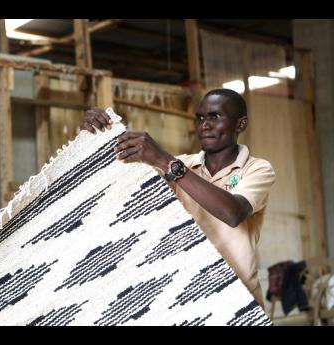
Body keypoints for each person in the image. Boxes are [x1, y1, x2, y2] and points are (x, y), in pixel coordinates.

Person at [80, 88, 276, 308]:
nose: (205, 125)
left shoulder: (257, 169)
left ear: (240, 124)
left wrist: (165, 161)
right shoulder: (183, 165)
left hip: (238, 303)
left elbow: (233, 213)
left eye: (215, 117)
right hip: (188, 301)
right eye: (200, 118)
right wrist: (98, 136)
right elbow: (120, 188)